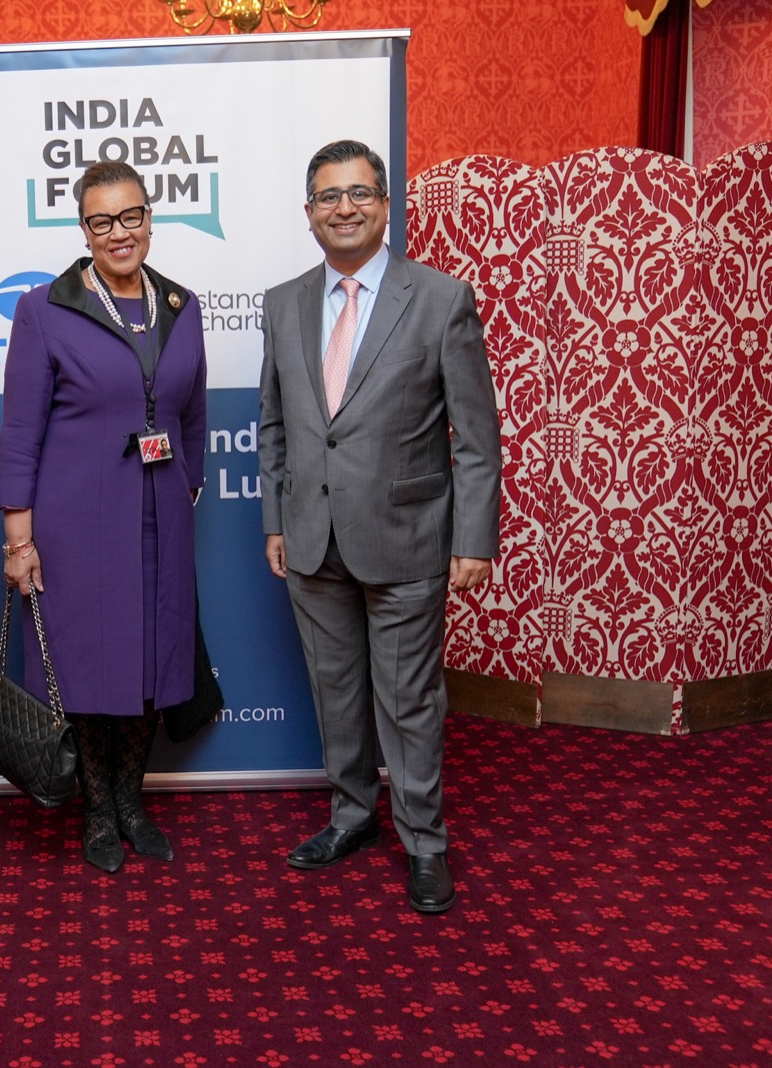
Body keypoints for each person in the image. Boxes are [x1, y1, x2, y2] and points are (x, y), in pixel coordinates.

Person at [258, 140, 501, 913]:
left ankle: (425, 842)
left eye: (360, 193)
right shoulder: (282, 303)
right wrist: (276, 520)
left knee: (408, 701)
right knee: (335, 694)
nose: (345, 208)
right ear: (308, 214)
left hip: (407, 540)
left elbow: (477, 437)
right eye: (328, 197)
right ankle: (351, 816)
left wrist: (473, 539)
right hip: (311, 538)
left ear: (386, 205)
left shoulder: (440, 300)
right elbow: (274, 425)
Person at [0, 160, 208, 874]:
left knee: (151, 657)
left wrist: (187, 488)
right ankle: (95, 811)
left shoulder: (181, 305)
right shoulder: (44, 309)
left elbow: (192, 415)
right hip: (75, 525)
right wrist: (18, 540)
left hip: (159, 520)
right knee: (87, 663)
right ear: (83, 229)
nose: (120, 232)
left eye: (131, 216)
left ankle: (130, 801)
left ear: (150, 217)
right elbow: (20, 433)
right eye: (102, 220)